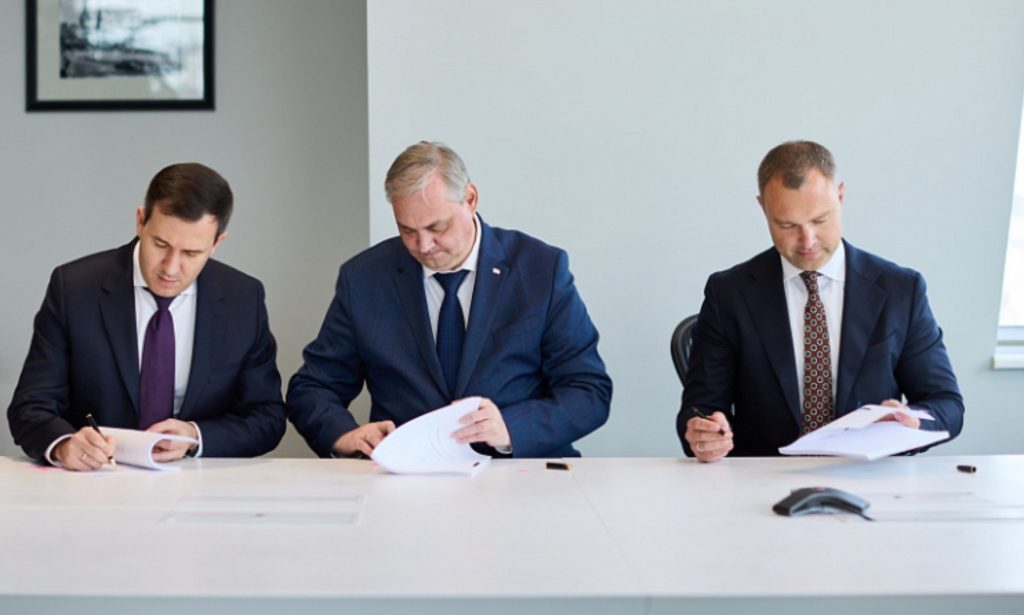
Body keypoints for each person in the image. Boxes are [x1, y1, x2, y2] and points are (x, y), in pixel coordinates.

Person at [287, 141, 611, 458]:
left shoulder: (541, 269)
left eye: (436, 227)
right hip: (407, 476)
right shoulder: (364, 278)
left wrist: (512, 428)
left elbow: (588, 390)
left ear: (470, 199)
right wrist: (345, 435)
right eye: (407, 230)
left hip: (519, 473)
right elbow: (313, 387)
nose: (424, 245)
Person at [678, 140, 963, 461]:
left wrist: (911, 423)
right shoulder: (729, 293)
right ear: (763, 208)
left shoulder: (901, 290)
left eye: (820, 220)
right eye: (787, 225)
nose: (807, 241)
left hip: (869, 477)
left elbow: (947, 405)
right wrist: (704, 433)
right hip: (764, 477)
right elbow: (698, 409)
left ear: (840, 196)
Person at [8, 163, 287, 470]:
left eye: (191, 253)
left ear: (217, 243)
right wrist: (64, 445)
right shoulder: (74, 289)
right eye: (160, 244)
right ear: (141, 221)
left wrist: (195, 436)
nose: (170, 268)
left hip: (198, 481)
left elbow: (267, 417)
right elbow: (30, 407)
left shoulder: (243, 299)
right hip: (95, 479)